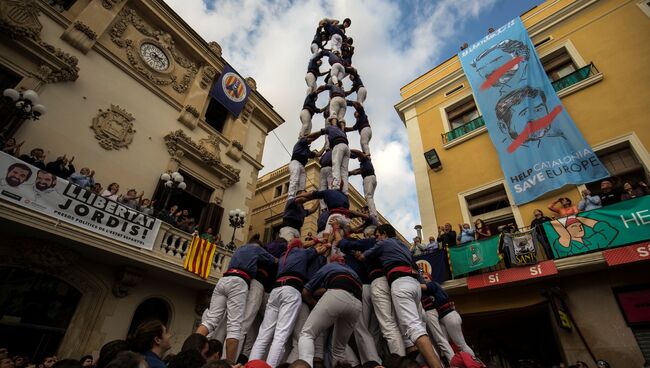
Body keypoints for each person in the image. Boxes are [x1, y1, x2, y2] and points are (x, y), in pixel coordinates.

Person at [355, 224, 443, 368]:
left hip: (399, 282)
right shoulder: (403, 246)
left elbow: (364, 255)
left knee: (407, 328)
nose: (376, 239)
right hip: (414, 284)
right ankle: (416, 356)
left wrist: (359, 254)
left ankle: (405, 364)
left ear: (383, 234)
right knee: (416, 326)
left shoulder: (383, 243)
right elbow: (416, 269)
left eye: (377, 236)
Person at [249, 238, 328, 368]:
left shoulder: (282, 256)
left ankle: (251, 365)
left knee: (263, 335)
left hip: (275, 291)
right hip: (291, 289)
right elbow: (322, 249)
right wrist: (324, 242)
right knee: (281, 335)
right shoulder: (303, 253)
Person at [197, 237, 277, 362]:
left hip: (224, 280)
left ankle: (192, 352)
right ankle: (227, 364)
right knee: (236, 328)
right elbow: (274, 260)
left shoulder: (240, 250)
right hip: (241, 282)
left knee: (212, 321)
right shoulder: (257, 249)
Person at [298, 255, 363, 368]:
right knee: (339, 349)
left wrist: (314, 303)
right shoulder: (352, 272)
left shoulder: (330, 266)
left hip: (337, 295)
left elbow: (305, 292)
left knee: (307, 334)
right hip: (357, 304)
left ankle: (305, 365)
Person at [419, 273, 455, 363]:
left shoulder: (431, 285)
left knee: (439, 339)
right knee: (432, 341)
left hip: (430, 312)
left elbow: (420, 286)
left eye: (426, 277)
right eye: (422, 278)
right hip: (428, 312)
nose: (424, 279)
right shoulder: (427, 286)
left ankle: (454, 362)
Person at [308, 123, 349, 194]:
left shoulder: (336, 150)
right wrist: (324, 147)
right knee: (322, 187)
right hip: (322, 169)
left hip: (330, 168)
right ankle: (325, 200)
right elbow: (318, 155)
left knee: (330, 186)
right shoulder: (327, 152)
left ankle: (334, 192)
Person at [349, 149, 377, 219]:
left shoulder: (365, 159)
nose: (357, 158)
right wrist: (350, 173)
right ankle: (369, 211)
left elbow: (358, 152)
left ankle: (373, 214)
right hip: (372, 178)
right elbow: (357, 171)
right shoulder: (365, 164)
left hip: (368, 178)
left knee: (368, 196)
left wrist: (348, 149)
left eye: (358, 156)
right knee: (369, 198)